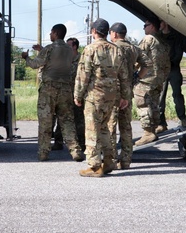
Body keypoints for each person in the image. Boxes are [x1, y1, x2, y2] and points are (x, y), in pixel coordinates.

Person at [74, 19, 130, 177]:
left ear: (94, 31)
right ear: (106, 32)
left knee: (92, 130)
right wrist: (125, 96)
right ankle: (109, 161)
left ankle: (94, 166)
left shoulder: (90, 49)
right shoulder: (116, 50)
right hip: (111, 96)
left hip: (94, 96)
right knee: (105, 129)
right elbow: (124, 76)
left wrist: (78, 95)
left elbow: (83, 75)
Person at [24, 24, 84, 162]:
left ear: (56, 33)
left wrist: (26, 58)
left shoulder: (50, 49)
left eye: (51, 33)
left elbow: (35, 64)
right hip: (65, 89)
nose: (50, 35)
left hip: (49, 89)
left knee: (46, 121)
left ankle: (43, 153)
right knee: (67, 121)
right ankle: (75, 151)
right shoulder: (70, 51)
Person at [134, 18, 169, 146]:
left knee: (142, 102)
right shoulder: (162, 42)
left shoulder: (148, 39)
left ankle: (148, 132)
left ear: (152, 27)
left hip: (146, 78)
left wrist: (134, 71)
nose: (144, 28)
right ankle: (153, 129)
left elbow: (139, 57)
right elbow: (167, 63)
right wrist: (162, 77)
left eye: (146, 25)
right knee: (154, 104)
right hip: (158, 78)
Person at [108, 22, 138, 169]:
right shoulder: (133, 48)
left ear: (114, 33)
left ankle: (112, 160)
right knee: (126, 127)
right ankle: (126, 160)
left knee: (111, 126)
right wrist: (135, 78)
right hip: (128, 91)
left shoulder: (112, 48)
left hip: (114, 92)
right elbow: (147, 63)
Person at [157, 24, 186, 130]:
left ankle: (182, 118)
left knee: (177, 95)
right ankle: (161, 123)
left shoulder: (176, 37)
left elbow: (178, 54)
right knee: (160, 97)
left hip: (174, 69)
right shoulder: (158, 37)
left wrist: (168, 63)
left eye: (161, 22)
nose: (159, 25)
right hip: (162, 70)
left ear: (165, 24)